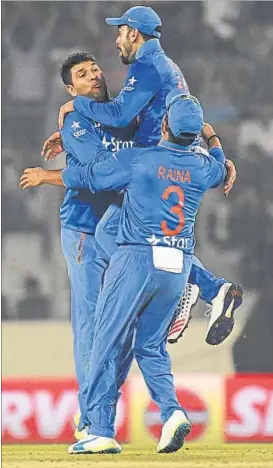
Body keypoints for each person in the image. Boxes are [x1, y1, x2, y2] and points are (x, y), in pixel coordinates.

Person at [24, 91, 227, 454]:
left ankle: (98, 427)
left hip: (136, 259)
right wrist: (212, 137)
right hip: (178, 265)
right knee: (150, 347)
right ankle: (172, 412)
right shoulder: (202, 168)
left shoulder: (140, 159)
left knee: (105, 341)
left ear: (164, 125)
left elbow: (91, 176)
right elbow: (219, 163)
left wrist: (47, 175)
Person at [45, 5, 241, 346]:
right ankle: (209, 288)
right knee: (152, 237)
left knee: (109, 231)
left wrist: (78, 106)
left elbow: (121, 115)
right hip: (176, 163)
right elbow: (179, 114)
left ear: (134, 34)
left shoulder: (147, 65)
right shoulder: (168, 67)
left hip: (154, 167)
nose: (117, 40)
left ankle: (188, 286)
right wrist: (213, 148)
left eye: (120, 32)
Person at [34, 52, 136, 439]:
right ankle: (93, 418)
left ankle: (96, 409)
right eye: (82, 74)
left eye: (94, 68)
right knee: (93, 327)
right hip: (86, 232)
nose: (93, 75)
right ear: (69, 89)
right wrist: (52, 174)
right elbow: (103, 175)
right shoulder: (76, 121)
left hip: (122, 231)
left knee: (124, 327)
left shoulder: (121, 113)